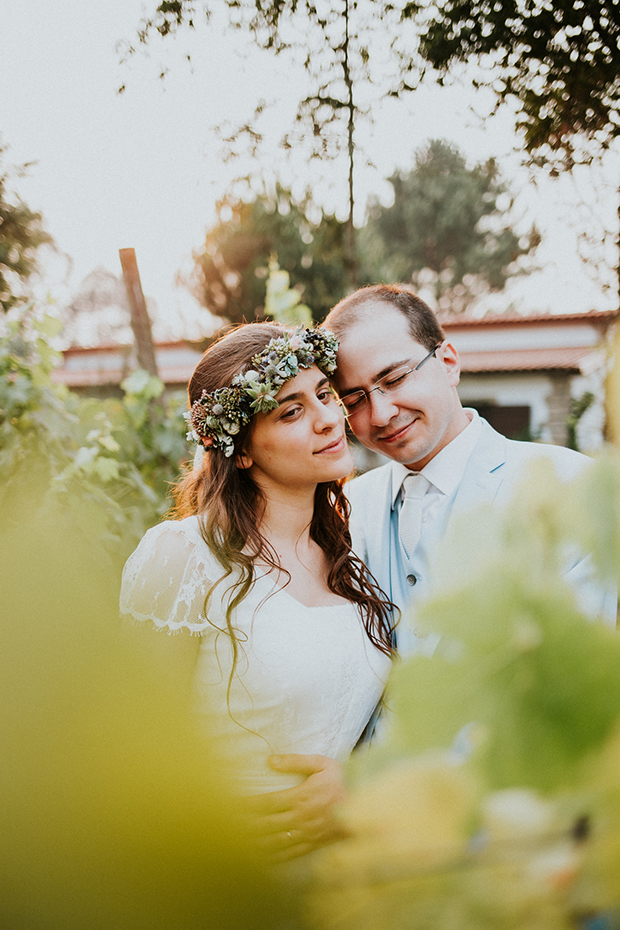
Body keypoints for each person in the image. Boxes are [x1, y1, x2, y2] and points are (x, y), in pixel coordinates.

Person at [255, 283, 617, 850]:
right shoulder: (345, 510)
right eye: (352, 398)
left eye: (395, 379)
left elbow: (571, 703)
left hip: (516, 855)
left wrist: (373, 791)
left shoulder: (562, 490)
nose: (381, 413)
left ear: (447, 362)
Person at [119, 321, 395, 860]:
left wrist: (356, 782)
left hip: (344, 871)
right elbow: (133, 745)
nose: (327, 420)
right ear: (240, 451)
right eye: (290, 411)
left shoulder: (354, 552)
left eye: (323, 394)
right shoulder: (183, 557)